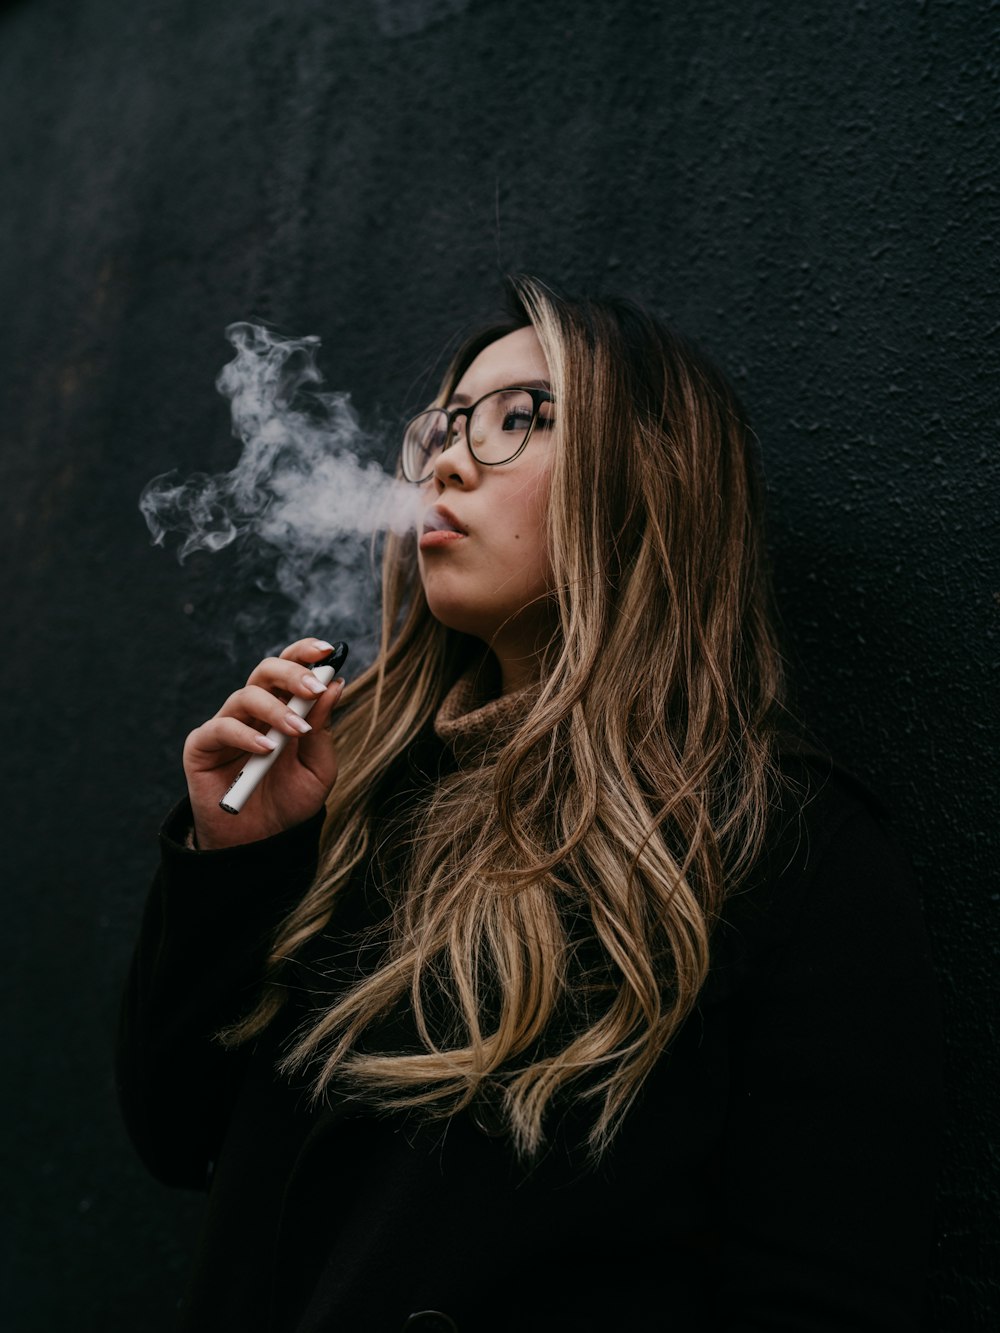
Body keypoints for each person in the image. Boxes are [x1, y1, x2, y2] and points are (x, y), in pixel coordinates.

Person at [116, 275, 943, 1332]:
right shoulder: (350, 801)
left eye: (521, 419)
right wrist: (234, 863)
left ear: (648, 477)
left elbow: (828, 1294)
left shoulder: (783, 849)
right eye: (444, 426)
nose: (451, 458)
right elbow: (174, 1132)